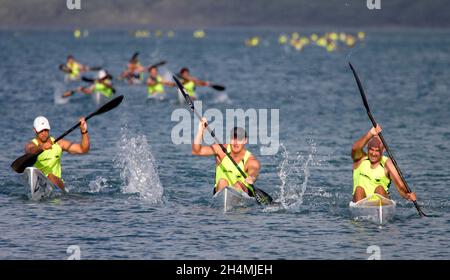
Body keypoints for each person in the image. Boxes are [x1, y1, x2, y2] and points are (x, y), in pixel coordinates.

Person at [192, 118, 260, 196]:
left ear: (245, 141)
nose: (236, 143)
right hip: (221, 189)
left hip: (243, 190)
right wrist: (200, 131)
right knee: (222, 182)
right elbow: (197, 151)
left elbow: (254, 170)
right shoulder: (221, 150)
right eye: (233, 139)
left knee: (238, 185)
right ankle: (224, 200)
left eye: (239, 139)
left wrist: (252, 177)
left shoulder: (250, 159)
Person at [352, 124, 416, 203]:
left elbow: (400, 186)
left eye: (377, 150)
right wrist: (370, 133)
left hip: (380, 203)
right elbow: (355, 148)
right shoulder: (360, 159)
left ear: (383, 150)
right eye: (371, 150)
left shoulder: (388, 164)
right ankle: (361, 212)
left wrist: (408, 195)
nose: (374, 153)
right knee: (359, 189)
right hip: (360, 202)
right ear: (367, 148)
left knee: (380, 189)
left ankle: (379, 210)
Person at [24, 116, 90, 191]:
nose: (44, 133)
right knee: (33, 170)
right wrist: (42, 147)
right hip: (38, 181)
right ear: (35, 130)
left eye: (46, 130)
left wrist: (84, 131)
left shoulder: (59, 143)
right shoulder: (31, 145)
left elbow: (83, 149)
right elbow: (30, 150)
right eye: (41, 130)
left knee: (50, 176)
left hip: (57, 184)